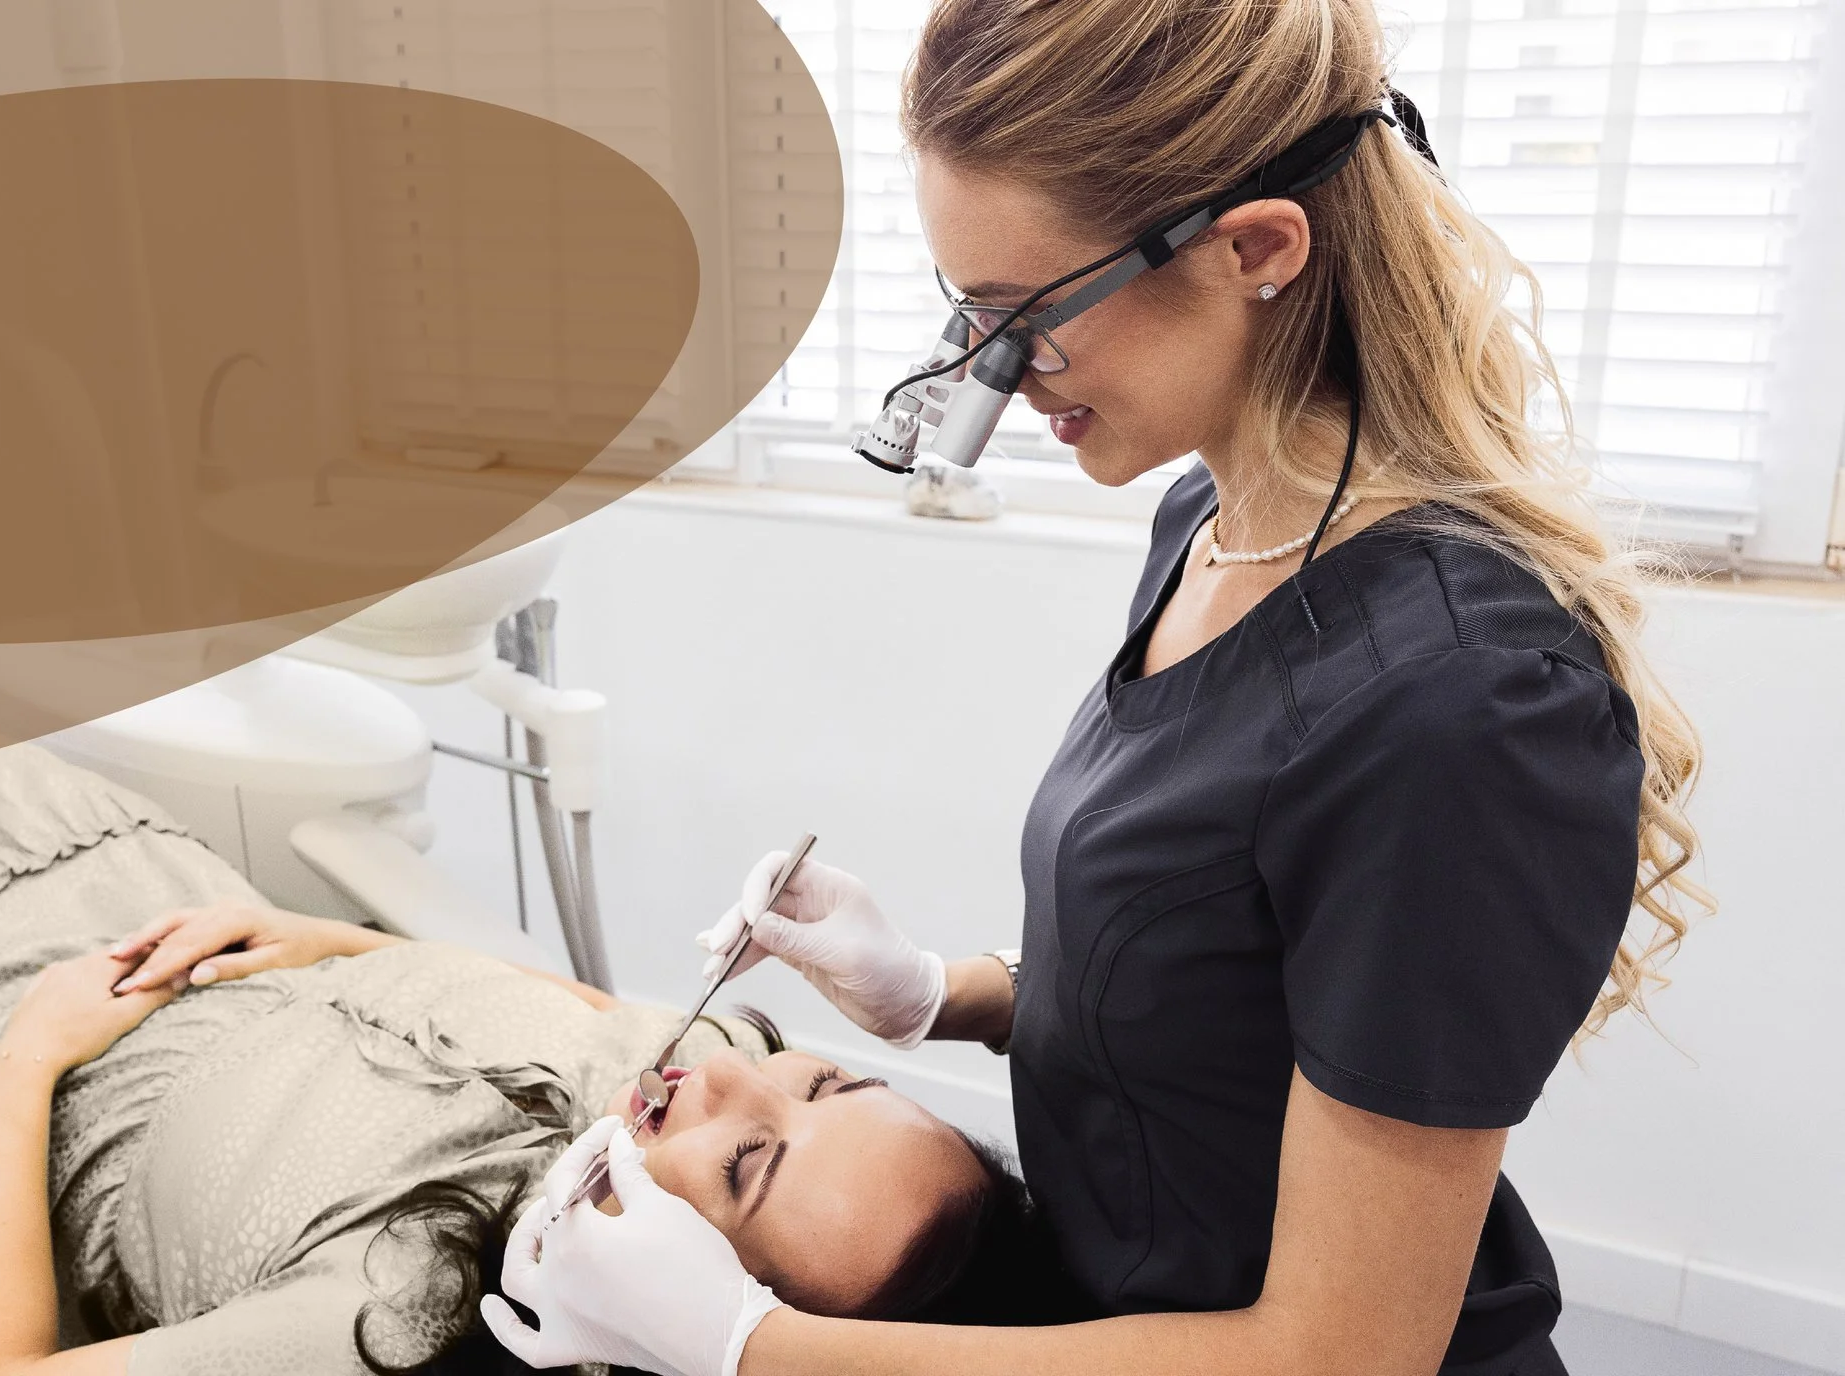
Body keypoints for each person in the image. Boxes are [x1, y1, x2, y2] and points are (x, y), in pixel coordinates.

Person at [484, 2, 1708, 1375]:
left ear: (1255, 250)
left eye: (1027, 324)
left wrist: (741, 1343)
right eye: (967, 316)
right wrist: (934, 993)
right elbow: (1223, 984)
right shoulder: (1211, 521)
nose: (985, 385)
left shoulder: (1457, 704)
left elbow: (1343, 1354)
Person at [0, 672, 1087, 1376]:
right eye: (813, 1081)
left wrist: (29, 1062)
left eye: (757, 1168)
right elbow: (570, 1017)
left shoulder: (391, 1310)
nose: (741, 1092)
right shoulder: (683, 1086)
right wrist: (318, 935)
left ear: (686, 1298)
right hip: (167, 915)